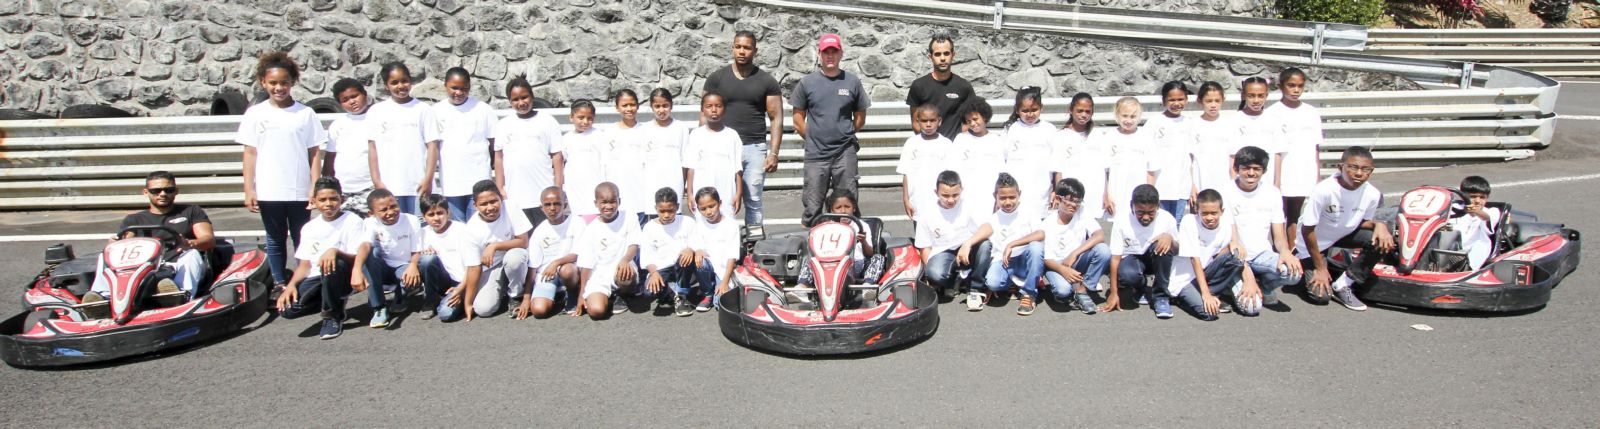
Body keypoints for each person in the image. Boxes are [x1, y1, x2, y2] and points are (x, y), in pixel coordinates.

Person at [237, 52, 325, 291]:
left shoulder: (305, 114)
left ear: (292, 82)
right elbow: (250, 153)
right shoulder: (256, 114)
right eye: (273, 83)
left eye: (284, 82)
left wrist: (314, 186)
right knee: (275, 238)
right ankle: (278, 281)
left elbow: (315, 153)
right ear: (263, 83)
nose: (279, 88)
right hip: (269, 188)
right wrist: (249, 189)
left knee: (301, 237)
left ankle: (303, 280)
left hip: (298, 189)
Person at [86, 171, 216, 301]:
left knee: (191, 254)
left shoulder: (191, 211)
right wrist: (114, 247)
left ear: (176, 191)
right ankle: (102, 297)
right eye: (156, 191)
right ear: (146, 192)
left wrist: (189, 244)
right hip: (145, 268)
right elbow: (126, 243)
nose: (163, 194)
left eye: (168, 190)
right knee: (105, 255)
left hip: (178, 263)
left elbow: (208, 239)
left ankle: (180, 295)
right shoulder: (134, 220)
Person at [1298, 147, 1393, 311]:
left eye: (1365, 169)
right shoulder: (1324, 190)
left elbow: (1362, 222)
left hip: (1342, 234)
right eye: (1353, 167)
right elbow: (1307, 230)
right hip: (1313, 242)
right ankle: (1313, 265)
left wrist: (1380, 225)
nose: (1359, 173)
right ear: (1340, 167)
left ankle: (1343, 283)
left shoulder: (1372, 193)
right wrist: (1320, 268)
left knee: (1383, 239)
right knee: (1320, 297)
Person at [702, 30, 782, 226]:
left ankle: (752, 246)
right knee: (719, 197)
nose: (742, 51)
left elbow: (776, 117)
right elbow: (704, 113)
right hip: (722, 148)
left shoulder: (767, 81)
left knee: (753, 200)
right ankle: (720, 241)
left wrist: (773, 153)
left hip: (754, 149)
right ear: (732, 48)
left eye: (747, 47)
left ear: (755, 50)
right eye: (738, 46)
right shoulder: (716, 79)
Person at [791, 33, 871, 226]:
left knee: (847, 202)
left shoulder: (852, 82)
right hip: (816, 154)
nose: (830, 56)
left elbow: (860, 116)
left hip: (845, 152)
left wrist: (845, 133)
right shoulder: (807, 83)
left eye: (834, 51)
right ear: (819, 54)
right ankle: (812, 243)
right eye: (826, 52)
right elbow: (797, 118)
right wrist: (813, 137)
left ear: (841, 53)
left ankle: (851, 246)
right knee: (813, 205)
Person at [276, 177, 365, 340]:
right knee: (287, 310)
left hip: (343, 273)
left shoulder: (352, 221)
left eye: (333, 198)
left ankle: (332, 316)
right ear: (314, 201)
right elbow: (305, 265)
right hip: (318, 277)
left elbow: (357, 256)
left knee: (331, 263)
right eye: (322, 199)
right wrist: (291, 285)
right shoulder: (309, 228)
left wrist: (335, 251)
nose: (328, 203)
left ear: (342, 199)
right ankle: (333, 299)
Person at [1224, 146, 1303, 313]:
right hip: (1235, 259)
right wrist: (1247, 276)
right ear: (1236, 169)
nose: (1251, 173)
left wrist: (1286, 252)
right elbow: (1233, 242)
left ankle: (1264, 287)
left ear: (1264, 170)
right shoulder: (1226, 192)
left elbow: (1279, 236)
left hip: (1262, 255)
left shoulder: (1272, 193)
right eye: (1246, 168)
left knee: (1293, 272)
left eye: (1256, 169)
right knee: (1252, 309)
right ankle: (1233, 284)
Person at [1019, 178, 1109, 314]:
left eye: (1078, 201)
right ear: (1058, 199)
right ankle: (1065, 287)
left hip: (1076, 260)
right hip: (1055, 266)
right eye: (1069, 200)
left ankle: (1082, 291)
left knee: (1103, 250)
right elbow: (1047, 259)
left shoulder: (1082, 212)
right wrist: (1063, 270)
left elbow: (1099, 235)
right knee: (1063, 291)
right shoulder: (1047, 223)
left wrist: (1075, 253)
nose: (1074, 205)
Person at [366, 62, 442, 217]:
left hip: (418, 184)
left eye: (404, 80)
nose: (400, 86)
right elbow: (372, 149)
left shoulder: (423, 110)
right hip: (389, 184)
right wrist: (377, 181)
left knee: (420, 227)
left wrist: (428, 178)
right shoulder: (376, 111)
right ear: (386, 86)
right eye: (394, 82)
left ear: (411, 81)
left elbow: (432, 147)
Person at [493, 74, 565, 228]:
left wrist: (558, 187)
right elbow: (498, 158)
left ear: (532, 96)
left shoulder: (547, 121)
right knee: (522, 239)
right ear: (510, 101)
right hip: (515, 195)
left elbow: (557, 156)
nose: (521, 102)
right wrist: (500, 188)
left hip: (542, 192)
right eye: (516, 99)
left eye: (524, 97)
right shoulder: (503, 125)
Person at [1167, 189, 1247, 321]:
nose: (1209, 217)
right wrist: (1206, 295)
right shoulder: (1189, 221)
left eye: (1214, 213)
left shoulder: (1226, 226)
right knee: (1209, 314)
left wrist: (1249, 280)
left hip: (1204, 273)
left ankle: (1212, 293)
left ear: (1222, 211)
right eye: (1204, 213)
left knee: (1237, 255)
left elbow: (1219, 255)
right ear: (1197, 210)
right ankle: (1181, 298)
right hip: (1184, 279)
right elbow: (1194, 259)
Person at [1267, 68, 1324, 253]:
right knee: (1278, 212)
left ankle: (1293, 251)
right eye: (1291, 85)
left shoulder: (1311, 112)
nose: (1296, 90)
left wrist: (1317, 174)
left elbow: (1316, 146)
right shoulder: (1272, 113)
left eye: (1300, 86)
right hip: (1282, 169)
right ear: (1281, 86)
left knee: (1295, 213)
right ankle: (1279, 250)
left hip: (1303, 168)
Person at [459, 180, 533, 320]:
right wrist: (468, 303)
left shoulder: (511, 207)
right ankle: (503, 287)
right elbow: (474, 268)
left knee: (514, 259)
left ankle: (516, 295)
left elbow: (523, 241)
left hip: (515, 257)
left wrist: (494, 246)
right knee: (483, 309)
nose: (490, 207)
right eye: (483, 204)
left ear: (501, 198)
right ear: (475, 206)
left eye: (494, 201)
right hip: (492, 267)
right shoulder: (471, 230)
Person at [432, 67, 499, 221]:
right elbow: (432, 146)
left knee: (479, 224)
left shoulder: (483, 110)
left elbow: (494, 144)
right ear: (445, 86)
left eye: (464, 88)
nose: (459, 92)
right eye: (454, 88)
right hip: (451, 182)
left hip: (479, 180)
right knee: (458, 227)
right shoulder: (436, 111)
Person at [973, 174, 1045, 315]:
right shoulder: (993, 218)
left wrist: (1012, 244)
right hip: (1005, 262)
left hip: (1025, 260)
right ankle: (1012, 284)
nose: (1008, 202)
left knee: (1036, 247)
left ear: (1019, 194)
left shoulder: (1029, 212)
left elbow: (1041, 234)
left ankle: (1028, 293)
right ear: (995, 196)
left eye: (1012, 197)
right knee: (993, 283)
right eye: (1003, 198)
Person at [1103, 184, 1178, 318]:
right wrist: (1114, 293)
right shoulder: (1121, 220)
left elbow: (1178, 250)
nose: (1145, 217)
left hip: (1155, 259)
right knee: (1127, 275)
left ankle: (1161, 296)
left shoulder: (1167, 219)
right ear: (1132, 205)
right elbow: (1115, 259)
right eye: (1140, 212)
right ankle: (1139, 287)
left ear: (1158, 206)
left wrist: (1170, 239)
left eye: (1151, 213)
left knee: (1163, 246)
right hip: (1133, 259)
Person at [916, 170, 993, 299]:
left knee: (985, 245)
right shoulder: (927, 214)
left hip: (968, 250)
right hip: (944, 252)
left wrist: (968, 244)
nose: (951, 200)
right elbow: (925, 247)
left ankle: (975, 287)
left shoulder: (969, 205)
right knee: (934, 272)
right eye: (945, 195)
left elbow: (988, 228)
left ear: (961, 190)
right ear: (936, 192)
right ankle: (954, 281)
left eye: (955, 195)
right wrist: (930, 275)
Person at [352, 189, 422, 329]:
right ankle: (379, 307)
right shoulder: (370, 223)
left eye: (393, 206)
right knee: (369, 254)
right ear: (371, 213)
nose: (390, 212)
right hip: (382, 267)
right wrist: (356, 269)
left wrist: (413, 265)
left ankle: (401, 294)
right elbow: (365, 245)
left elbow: (416, 249)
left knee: (414, 278)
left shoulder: (411, 219)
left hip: (404, 266)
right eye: (383, 210)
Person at [574, 182, 642, 319]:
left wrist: (624, 260)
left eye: (613, 201)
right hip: (599, 275)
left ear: (619, 201)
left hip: (622, 268)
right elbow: (586, 264)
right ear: (596, 203)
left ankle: (622, 294)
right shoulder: (591, 229)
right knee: (596, 311)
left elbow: (634, 245)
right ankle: (605, 296)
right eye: (604, 202)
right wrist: (582, 294)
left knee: (627, 275)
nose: (609, 206)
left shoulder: (629, 216)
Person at [796, 189, 885, 291]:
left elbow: (869, 254)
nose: (843, 211)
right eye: (838, 207)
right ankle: (802, 286)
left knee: (878, 258)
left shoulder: (861, 226)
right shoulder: (826, 227)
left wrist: (863, 241)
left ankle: (868, 285)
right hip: (828, 264)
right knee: (809, 259)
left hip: (854, 265)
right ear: (831, 210)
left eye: (847, 207)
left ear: (854, 208)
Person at [520, 186, 587, 319]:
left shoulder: (577, 223)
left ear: (565, 204)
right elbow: (532, 268)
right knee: (539, 310)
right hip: (547, 275)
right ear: (541, 208)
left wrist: (557, 262)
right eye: (548, 205)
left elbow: (580, 253)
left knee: (566, 270)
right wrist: (526, 298)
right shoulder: (539, 231)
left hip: (571, 272)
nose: (552, 208)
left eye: (557, 203)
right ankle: (556, 295)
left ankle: (572, 293)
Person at [638, 187, 699, 316]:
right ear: (656, 208)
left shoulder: (687, 222)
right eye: (662, 211)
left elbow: (696, 242)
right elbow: (647, 257)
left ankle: (681, 296)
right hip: (661, 270)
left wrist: (690, 249)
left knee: (684, 257)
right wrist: (654, 273)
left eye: (670, 210)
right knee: (649, 293)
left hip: (682, 268)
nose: (666, 215)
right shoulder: (649, 228)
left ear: (677, 207)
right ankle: (672, 292)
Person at [685, 92, 745, 220]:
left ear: (724, 109)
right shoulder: (696, 135)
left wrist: (738, 193)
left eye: (718, 106)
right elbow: (691, 166)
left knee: (726, 218)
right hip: (701, 183)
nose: (714, 110)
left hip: (725, 185)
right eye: (709, 106)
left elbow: (737, 168)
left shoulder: (732, 135)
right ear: (702, 109)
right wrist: (689, 193)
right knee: (703, 221)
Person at [1097, 96, 1159, 220]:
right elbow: (1104, 171)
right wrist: (1106, 195)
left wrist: (1149, 195)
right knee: (1118, 227)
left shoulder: (1146, 138)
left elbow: (1151, 170)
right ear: (1117, 115)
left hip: (1139, 192)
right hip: (1116, 192)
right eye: (1125, 116)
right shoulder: (1109, 137)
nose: (1129, 120)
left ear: (1139, 116)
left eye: (1133, 116)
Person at [905, 32, 975, 139]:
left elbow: (970, 120)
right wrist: (929, 142)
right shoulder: (918, 86)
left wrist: (958, 141)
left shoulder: (964, 87)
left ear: (953, 55)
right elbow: (915, 122)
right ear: (930, 57)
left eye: (946, 53)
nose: (942, 58)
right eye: (937, 54)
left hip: (954, 148)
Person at [1052, 93, 1108, 221]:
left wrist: (1106, 195)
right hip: (1070, 196)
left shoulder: (1099, 136)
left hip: (1094, 193)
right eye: (1080, 111)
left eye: (1088, 111)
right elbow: (1058, 170)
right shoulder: (1060, 137)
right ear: (1070, 110)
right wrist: (1059, 194)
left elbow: (1105, 170)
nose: (1084, 115)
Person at [323, 78, 376, 214]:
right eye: (345, 100)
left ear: (364, 93)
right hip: (343, 190)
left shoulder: (376, 119)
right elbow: (330, 157)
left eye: (354, 96)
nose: (352, 101)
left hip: (370, 187)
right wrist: (328, 185)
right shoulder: (338, 125)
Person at [1001, 86, 1055, 219]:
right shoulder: (1010, 130)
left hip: (1042, 189)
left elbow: (1057, 163)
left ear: (1041, 107)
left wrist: (1056, 189)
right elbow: (1003, 160)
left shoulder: (1049, 130)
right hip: (1017, 188)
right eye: (1025, 110)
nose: (1030, 114)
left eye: (1034, 110)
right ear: (1017, 110)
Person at [1147, 81, 1196, 224]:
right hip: (1160, 184)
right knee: (1158, 222)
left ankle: (1176, 247)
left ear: (1186, 99)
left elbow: (1192, 158)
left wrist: (1193, 185)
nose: (1176, 103)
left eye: (1180, 99)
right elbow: (1147, 155)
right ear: (1164, 101)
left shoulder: (1190, 124)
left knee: (1177, 222)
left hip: (1182, 185)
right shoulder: (1154, 122)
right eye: (1172, 99)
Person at [416, 194, 470, 321]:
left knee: (445, 314)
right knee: (426, 259)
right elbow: (414, 259)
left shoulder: (461, 230)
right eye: (431, 214)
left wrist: (461, 287)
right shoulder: (423, 233)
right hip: (442, 279)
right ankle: (431, 299)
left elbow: (472, 264)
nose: (436, 218)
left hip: (462, 281)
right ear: (424, 217)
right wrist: (422, 253)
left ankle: (461, 297)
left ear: (448, 212)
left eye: (440, 213)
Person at [640, 88, 693, 220]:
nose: (661, 110)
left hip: (674, 180)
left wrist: (685, 185)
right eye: (657, 106)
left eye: (665, 105)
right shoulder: (644, 129)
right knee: (654, 217)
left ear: (671, 106)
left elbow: (685, 159)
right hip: (652, 181)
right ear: (651, 107)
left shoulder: (681, 128)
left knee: (674, 216)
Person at [689, 187, 742, 312]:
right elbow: (694, 244)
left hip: (725, 271)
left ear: (720, 203)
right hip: (708, 267)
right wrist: (698, 251)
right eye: (703, 209)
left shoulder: (731, 225)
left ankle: (717, 290)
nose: (708, 212)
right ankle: (707, 292)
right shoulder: (699, 224)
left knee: (721, 304)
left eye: (712, 206)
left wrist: (724, 282)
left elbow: (731, 256)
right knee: (699, 260)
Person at [949, 96, 1004, 213]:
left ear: (985, 117)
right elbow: (953, 169)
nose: (973, 124)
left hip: (990, 197)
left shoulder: (996, 140)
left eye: (975, 119)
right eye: (969, 121)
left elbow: (1001, 171)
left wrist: (1000, 197)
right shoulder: (960, 140)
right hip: (966, 198)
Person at [898, 103, 952, 219]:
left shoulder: (946, 144)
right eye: (924, 121)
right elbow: (906, 173)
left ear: (939, 121)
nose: (928, 124)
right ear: (917, 121)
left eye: (932, 120)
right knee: (920, 233)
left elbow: (952, 175)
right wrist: (906, 199)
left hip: (939, 200)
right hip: (917, 200)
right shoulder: (911, 143)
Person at [605, 89, 652, 223]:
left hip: (640, 193)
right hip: (618, 191)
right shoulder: (609, 131)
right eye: (624, 105)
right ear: (617, 107)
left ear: (637, 106)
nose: (629, 108)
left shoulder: (645, 131)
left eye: (632, 105)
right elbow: (605, 162)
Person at [1190, 81, 1241, 196]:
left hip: (1224, 184)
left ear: (1223, 100)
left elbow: (1233, 158)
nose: (1213, 105)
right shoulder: (1192, 125)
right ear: (1200, 101)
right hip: (1199, 184)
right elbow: (1189, 159)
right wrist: (1191, 185)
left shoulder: (1229, 125)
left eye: (1217, 101)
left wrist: (1234, 184)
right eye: (1208, 101)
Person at [562, 101, 606, 217]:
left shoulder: (599, 136)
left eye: (589, 118)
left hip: (594, 185)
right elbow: (563, 162)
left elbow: (605, 163)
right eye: (580, 118)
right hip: (574, 188)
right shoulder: (566, 139)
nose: (585, 122)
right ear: (571, 117)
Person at [1451, 176, 1502, 270]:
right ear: (1463, 195)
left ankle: (1468, 270)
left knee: (1482, 244)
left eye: (1482, 197)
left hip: (1474, 249)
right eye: (1473, 197)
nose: (1478, 201)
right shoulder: (1453, 207)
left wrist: (1474, 210)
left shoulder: (1493, 212)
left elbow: (1486, 217)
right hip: (1451, 247)